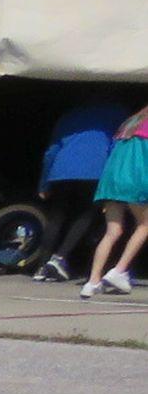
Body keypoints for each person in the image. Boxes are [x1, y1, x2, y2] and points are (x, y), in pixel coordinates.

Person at [31, 97, 127, 282]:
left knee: (57, 216)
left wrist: (43, 183)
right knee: (86, 214)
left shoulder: (70, 115)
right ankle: (59, 258)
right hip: (93, 170)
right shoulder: (117, 112)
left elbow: (52, 149)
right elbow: (117, 145)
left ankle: (41, 265)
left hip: (61, 170)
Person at [78, 103, 148, 299]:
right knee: (144, 225)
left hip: (111, 181)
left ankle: (92, 282)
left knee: (112, 232)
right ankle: (119, 269)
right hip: (134, 181)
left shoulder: (129, 125)